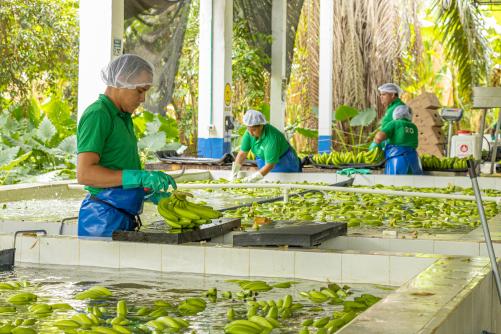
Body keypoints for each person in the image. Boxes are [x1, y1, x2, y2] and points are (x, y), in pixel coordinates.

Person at [76, 54, 177, 237]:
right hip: (101, 220)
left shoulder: (123, 118)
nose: (142, 99)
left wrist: (146, 192)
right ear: (121, 82)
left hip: (122, 215)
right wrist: (139, 177)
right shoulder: (98, 114)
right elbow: (85, 174)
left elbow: (117, 170)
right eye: (139, 91)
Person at [231, 110, 301, 182]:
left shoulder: (272, 138)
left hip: (284, 161)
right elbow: (242, 153)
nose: (251, 133)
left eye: (254, 130)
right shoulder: (249, 133)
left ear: (261, 126)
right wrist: (234, 172)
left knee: (282, 184)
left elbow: (270, 165)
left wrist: (252, 179)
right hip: (263, 159)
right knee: (266, 181)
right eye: (249, 129)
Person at [369, 105, 423, 175]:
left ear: (396, 114)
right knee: (414, 183)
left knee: (395, 183)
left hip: (397, 159)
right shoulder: (414, 127)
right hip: (414, 160)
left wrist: (374, 145)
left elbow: (379, 137)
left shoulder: (394, 123)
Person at [369, 83, 407, 151]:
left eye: (383, 94)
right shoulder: (391, 108)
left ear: (392, 95)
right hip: (388, 146)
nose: (381, 97)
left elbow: (400, 127)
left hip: (396, 148)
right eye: (380, 95)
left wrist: (379, 139)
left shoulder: (400, 108)